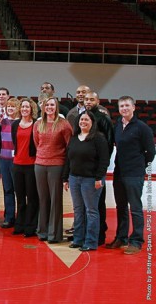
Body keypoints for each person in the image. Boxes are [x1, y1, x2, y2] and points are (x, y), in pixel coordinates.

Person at [107, 96, 155, 255]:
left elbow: (150, 152)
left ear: (133, 107)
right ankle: (121, 237)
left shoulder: (142, 128)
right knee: (121, 207)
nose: (124, 108)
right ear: (119, 109)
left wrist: (139, 166)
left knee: (135, 208)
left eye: (127, 105)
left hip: (134, 173)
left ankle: (136, 241)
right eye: (121, 106)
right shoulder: (118, 126)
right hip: (119, 172)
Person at [63, 111, 110, 251]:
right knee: (78, 210)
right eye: (81, 119)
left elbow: (104, 160)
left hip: (91, 180)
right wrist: (65, 178)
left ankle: (90, 242)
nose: (83, 122)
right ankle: (78, 239)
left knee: (91, 211)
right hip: (74, 178)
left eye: (86, 120)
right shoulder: (74, 138)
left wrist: (98, 178)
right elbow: (68, 160)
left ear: (92, 122)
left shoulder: (99, 138)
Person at [33, 97, 72, 243]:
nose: (49, 107)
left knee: (55, 200)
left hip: (56, 165)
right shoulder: (38, 124)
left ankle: (54, 234)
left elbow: (69, 146)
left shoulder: (64, 124)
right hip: (40, 165)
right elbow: (37, 143)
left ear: (57, 107)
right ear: (43, 107)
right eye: (47, 105)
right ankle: (42, 231)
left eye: (52, 105)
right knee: (43, 199)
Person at [84, 91, 114, 246]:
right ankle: (84, 233)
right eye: (86, 99)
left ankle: (99, 235)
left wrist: (101, 167)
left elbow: (109, 145)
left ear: (97, 101)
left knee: (98, 204)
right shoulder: (82, 117)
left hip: (96, 169)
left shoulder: (104, 118)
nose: (88, 101)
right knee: (85, 205)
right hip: (83, 168)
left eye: (91, 99)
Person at [11, 98, 39, 237]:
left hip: (31, 165)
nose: (25, 109)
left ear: (32, 109)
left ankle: (30, 226)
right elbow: (14, 142)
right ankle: (19, 224)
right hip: (17, 165)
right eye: (23, 107)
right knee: (20, 198)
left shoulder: (36, 124)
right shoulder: (15, 124)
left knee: (32, 198)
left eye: (27, 107)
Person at [0, 97, 20, 228]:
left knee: (19, 190)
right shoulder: (2, 122)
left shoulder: (20, 123)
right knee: (7, 189)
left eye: (13, 106)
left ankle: (21, 217)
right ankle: (9, 217)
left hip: (16, 161)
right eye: (8, 107)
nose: (10, 109)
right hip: (3, 160)